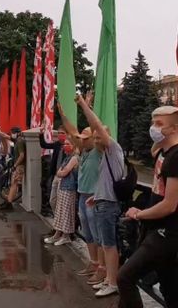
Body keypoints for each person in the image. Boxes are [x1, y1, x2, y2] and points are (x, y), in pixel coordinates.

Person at [117, 106, 178, 308]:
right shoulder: (163, 151)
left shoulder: (176, 157)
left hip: (167, 233)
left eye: (159, 124)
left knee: (125, 277)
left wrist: (140, 214)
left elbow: (169, 205)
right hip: (157, 229)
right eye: (152, 123)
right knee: (171, 289)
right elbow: (154, 149)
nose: (153, 128)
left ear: (174, 128)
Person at [76, 93, 124, 297]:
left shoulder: (112, 148)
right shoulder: (106, 154)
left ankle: (112, 282)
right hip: (102, 201)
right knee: (106, 244)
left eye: (98, 137)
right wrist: (96, 196)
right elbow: (107, 182)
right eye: (94, 138)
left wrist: (83, 105)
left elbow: (95, 124)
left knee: (109, 245)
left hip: (109, 206)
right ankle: (108, 279)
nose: (95, 140)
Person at [58, 101, 105, 286]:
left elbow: (96, 127)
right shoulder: (84, 150)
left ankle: (102, 268)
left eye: (86, 136)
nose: (81, 139)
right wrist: (63, 115)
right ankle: (93, 263)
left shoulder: (99, 150)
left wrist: (86, 106)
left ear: (94, 138)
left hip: (95, 198)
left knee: (98, 235)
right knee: (89, 234)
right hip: (83, 196)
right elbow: (72, 132)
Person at [44, 140, 79, 246]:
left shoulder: (74, 158)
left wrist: (61, 172)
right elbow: (59, 171)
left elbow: (64, 172)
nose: (65, 146)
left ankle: (66, 236)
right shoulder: (67, 157)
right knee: (60, 211)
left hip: (69, 188)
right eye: (65, 144)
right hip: (63, 186)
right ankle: (57, 233)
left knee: (66, 213)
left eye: (69, 144)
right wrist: (61, 172)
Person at [39, 124, 67, 217]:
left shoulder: (70, 146)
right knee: (53, 199)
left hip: (65, 176)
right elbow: (44, 145)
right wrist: (41, 134)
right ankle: (57, 217)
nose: (60, 135)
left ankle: (60, 221)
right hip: (55, 174)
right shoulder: (57, 144)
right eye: (58, 133)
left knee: (62, 200)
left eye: (62, 133)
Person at [0, 127, 26, 211]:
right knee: (13, 184)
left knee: (14, 184)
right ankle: (8, 201)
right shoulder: (16, 140)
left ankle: (9, 203)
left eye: (12, 132)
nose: (11, 134)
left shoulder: (19, 141)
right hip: (18, 166)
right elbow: (5, 136)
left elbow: (22, 155)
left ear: (17, 133)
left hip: (19, 166)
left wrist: (15, 165)